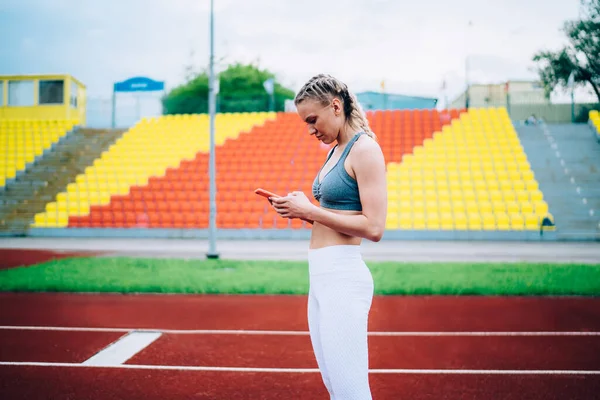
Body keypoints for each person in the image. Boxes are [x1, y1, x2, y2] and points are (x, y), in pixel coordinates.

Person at [271, 74, 387, 399]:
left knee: (351, 391)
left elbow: (374, 227)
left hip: (343, 278)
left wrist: (309, 211)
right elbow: (337, 220)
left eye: (312, 119)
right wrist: (297, 210)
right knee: (336, 389)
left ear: (335, 106)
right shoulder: (335, 150)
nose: (310, 129)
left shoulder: (365, 149)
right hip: (321, 278)